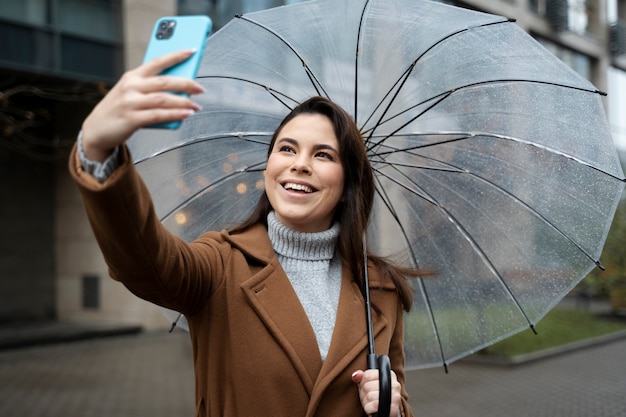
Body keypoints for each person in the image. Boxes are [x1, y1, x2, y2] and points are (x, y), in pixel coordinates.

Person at [69, 49, 417, 417]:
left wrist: (393, 410)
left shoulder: (380, 288)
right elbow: (143, 258)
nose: (299, 164)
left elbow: (401, 400)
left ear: (348, 184)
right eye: (287, 149)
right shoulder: (219, 265)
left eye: (323, 155)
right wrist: (98, 151)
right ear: (267, 168)